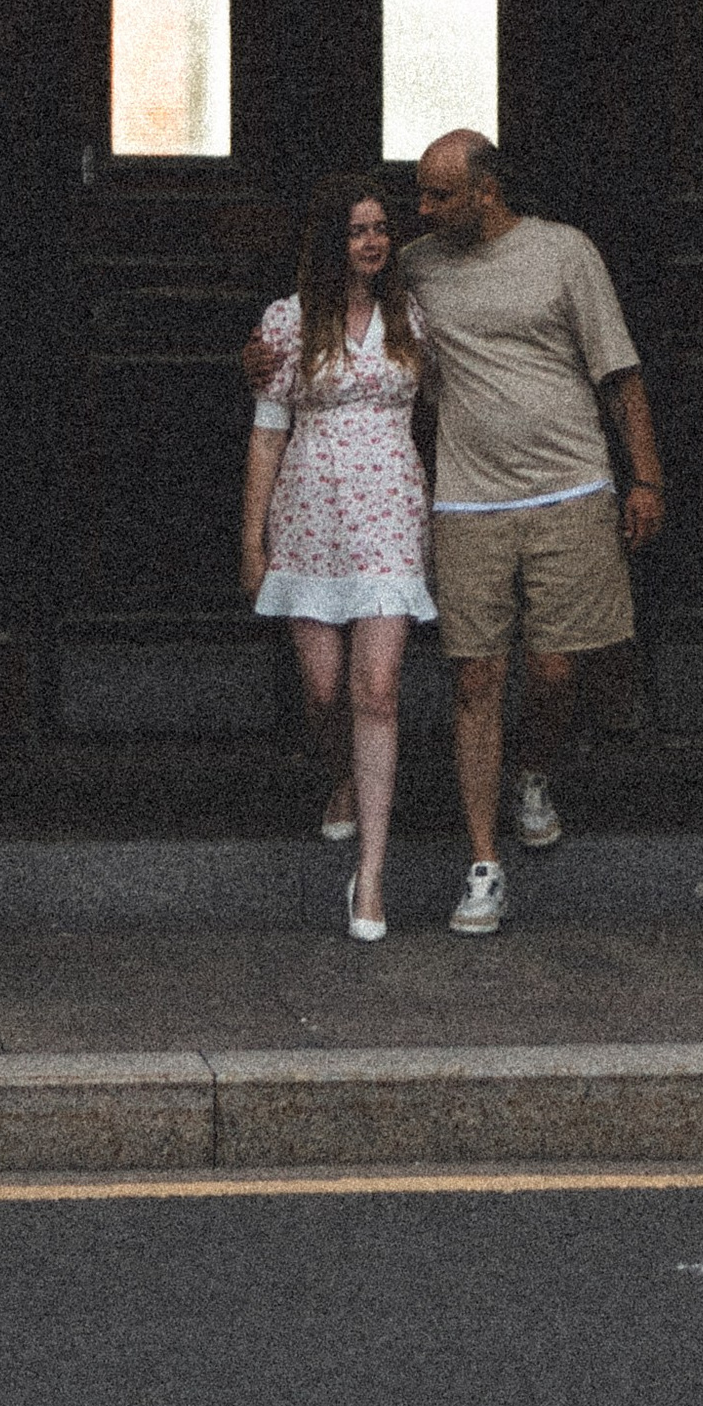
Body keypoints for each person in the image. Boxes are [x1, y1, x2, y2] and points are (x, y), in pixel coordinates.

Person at [403, 129, 665, 936]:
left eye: (440, 194)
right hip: (468, 501)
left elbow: (619, 373)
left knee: (555, 672)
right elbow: (327, 312)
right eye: (422, 193)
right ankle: (484, 862)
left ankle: (535, 770)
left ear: (486, 190)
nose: (424, 208)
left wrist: (646, 478)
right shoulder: (415, 265)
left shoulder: (564, 252)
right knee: (476, 682)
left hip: (571, 487)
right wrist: (260, 356)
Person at [241, 176, 437, 942]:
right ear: (332, 241)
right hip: (310, 515)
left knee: (378, 689)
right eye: (358, 230)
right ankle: (344, 777)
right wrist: (250, 541)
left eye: (382, 228)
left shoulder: (410, 316)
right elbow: (266, 432)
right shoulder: (287, 323)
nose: (373, 241)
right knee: (324, 693)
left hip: (389, 510)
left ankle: (374, 881)